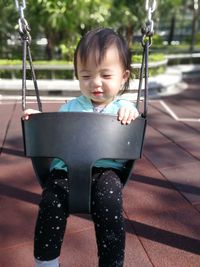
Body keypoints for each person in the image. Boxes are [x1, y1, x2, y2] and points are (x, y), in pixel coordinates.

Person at [23, 28, 139, 267]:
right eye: (86, 76)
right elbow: (55, 132)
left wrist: (130, 112)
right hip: (65, 171)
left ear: (124, 76)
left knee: (110, 204)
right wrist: (37, 119)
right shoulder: (70, 107)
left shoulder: (123, 107)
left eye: (106, 76)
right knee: (50, 203)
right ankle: (46, 262)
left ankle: (112, 262)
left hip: (105, 172)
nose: (95, 83)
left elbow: (132, 118)